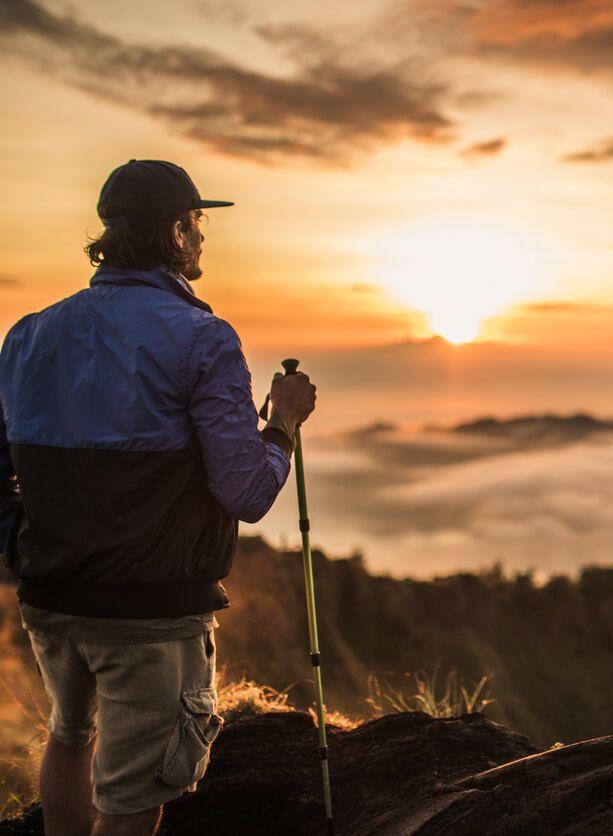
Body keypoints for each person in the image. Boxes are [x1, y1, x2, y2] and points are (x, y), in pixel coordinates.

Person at [0, 160, 316, 836]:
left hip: (51, 595)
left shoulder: (28, 334)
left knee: (70, 734)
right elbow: (248, 491)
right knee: (135, 786)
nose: (202, 236)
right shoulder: (203, 339)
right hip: (149, 610)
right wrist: (283, 424)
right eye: (197, 222)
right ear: (175, 232)